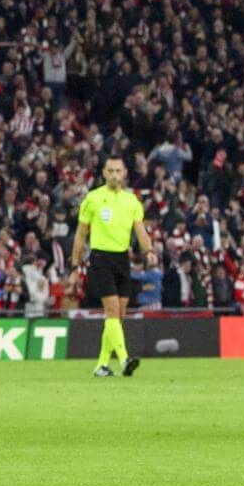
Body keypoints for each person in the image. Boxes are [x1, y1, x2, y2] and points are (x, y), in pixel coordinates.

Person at [72, 156, 156, 377]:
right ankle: (125, 359)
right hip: (100, 258)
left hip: (122, 259)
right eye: (111, 171)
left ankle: (101, 365)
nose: (115, 175)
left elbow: (140, 230)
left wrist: (149, 252)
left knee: (118, 316)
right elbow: (81, 234)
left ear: (125, 173)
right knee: (112, 311)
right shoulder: (93, 199)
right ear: (104, 173)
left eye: (118, 171)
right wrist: (74, 266)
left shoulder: (131, 201)